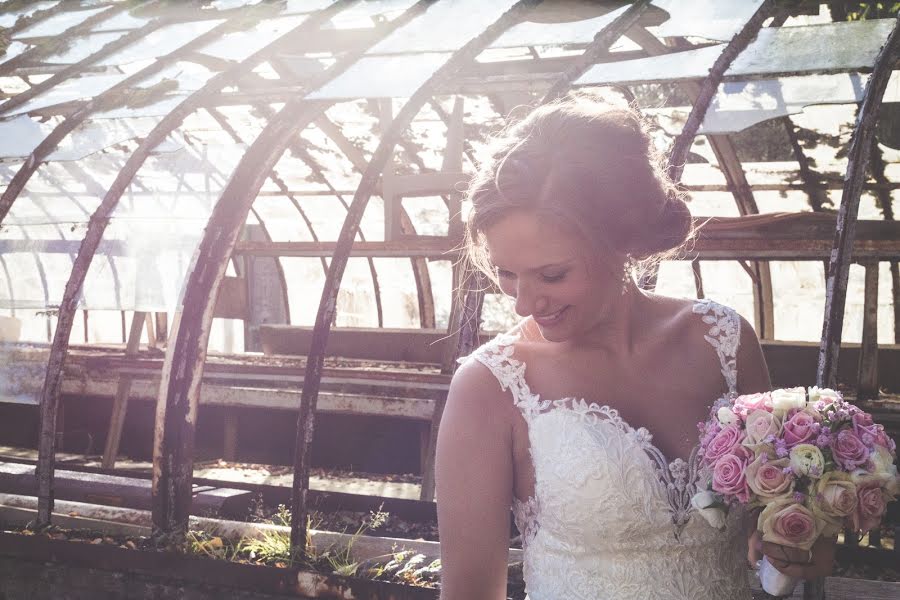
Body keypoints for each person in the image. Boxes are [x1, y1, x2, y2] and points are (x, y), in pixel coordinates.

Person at [435, 93, 835, 600]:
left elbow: (769, 526)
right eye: (506, 274)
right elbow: (468, 591)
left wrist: (798, 543)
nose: (524, 303)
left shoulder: (724, 341)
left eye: (552, 275)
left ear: (621, 240)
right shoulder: (489, 385)